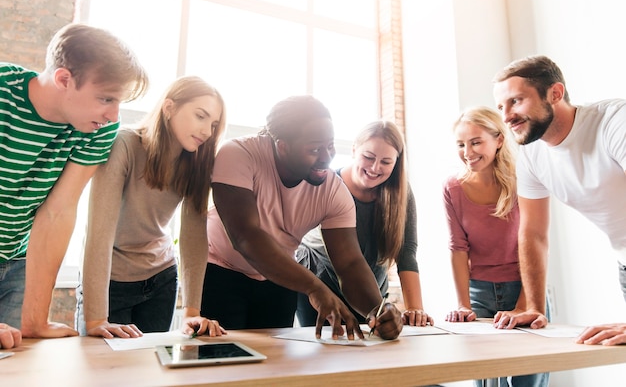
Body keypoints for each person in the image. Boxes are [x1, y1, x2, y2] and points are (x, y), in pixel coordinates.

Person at [200, 95, 403, 340]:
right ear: (282, 146)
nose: (326, 157)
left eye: (330, 145)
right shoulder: (239, 154)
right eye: (315, 149)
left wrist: (378, 310)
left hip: (278, 279)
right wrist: (314, 286)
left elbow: (349, 263)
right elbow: (246, 236)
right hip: (220, 271)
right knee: (221, 366)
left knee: (274, 369)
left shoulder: (333, 192)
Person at [0, 23, 148, 348]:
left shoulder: (96, 127)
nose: (113, 115)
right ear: (64, 79)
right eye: (106, 98)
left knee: (16, 362)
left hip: (18, 259)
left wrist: (36, 320)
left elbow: (59, 211)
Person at [77, 76, 227, 339]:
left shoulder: (196, 162)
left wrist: (191, 310)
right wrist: (96, 318)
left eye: (213, 124)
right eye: (200, 116)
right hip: (111, 283)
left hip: (161, 281)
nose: (207, 131)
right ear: (169, 107)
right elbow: (99, 233)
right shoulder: (124, 144)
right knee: (100, 373)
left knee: (149, 374)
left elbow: (193, 235)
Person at [492, 55, 626, 346]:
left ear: (555, 93)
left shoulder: (616, 122)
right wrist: (534, 307)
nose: (506, 116)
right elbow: (534, 232)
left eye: (516, 101)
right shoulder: (532, 154)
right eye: (501, 107)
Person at [444, 106, 549, 387]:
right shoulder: (453, 188)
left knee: (529, 379)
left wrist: (524, 305)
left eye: (476, 142)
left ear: (499, 140)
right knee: (486, 382)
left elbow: (534, 243)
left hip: (524, 287)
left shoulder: (524, 180)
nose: (467, 152)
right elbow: (457, 248)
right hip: (479, 294)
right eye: (461, 144)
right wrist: (463, 305)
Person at [296, 120, 433, 327]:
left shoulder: (400, 193)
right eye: (368, 157)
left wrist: (415, 309)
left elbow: (406, 252)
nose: (375, 168)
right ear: (353, 150)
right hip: (321, 289)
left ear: (396, 162)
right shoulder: (327, 184)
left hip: (371, 292)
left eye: (386, 162)